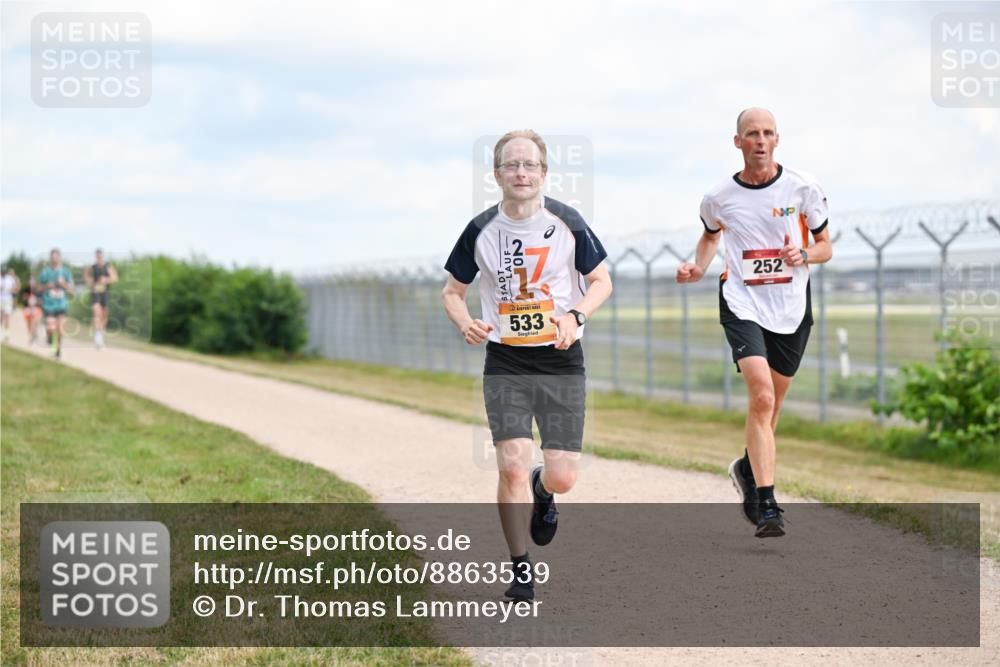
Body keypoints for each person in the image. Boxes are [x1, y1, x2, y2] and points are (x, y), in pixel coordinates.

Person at [442, 130, 613, 601]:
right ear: (496, 174)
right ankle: (520, 569)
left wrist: (576, 316)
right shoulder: (481, 229)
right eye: (512, 165)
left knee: (561, 477)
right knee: (512, 465)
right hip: (506, 362)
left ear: (543, 173)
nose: (521, 173)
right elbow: (452, 292)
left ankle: (545, 489)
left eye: (530, 165)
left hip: (560, 360)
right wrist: (466, 323)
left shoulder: (567, 221)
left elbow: (601, 282)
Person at [675, 108, 833, 538]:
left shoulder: (803, 187)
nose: (760, 141)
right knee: (761, 398)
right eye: (752, 134)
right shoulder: (719, 196)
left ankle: (747, 468)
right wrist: (698, 266)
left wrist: (805, 255)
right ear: (738, 142)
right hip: (742, 301)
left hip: (791, 306)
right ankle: (767, 505)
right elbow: (711, 236)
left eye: (767, 133)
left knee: (772, 406)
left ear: (777, 139)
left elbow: (825, 246)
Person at [39, 248, 75, 359]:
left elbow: (71, 291)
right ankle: (50, 337)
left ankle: (58, 349)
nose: (54, 259)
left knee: (60, 329)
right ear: (50, 258)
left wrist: (63, 284)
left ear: (59, 258)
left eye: (56, 256)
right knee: (50, 327)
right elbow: (38, 289)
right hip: (48, 304)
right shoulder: (45, 272)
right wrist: (47, 286)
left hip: (61, 304)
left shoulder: (65, 272)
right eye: (52, 257)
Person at [84, 248, 118, 348]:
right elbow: (87, 277)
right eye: (97, 255)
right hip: (95, 292)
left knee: (104, 315)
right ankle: (97, 337)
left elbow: (115, 278)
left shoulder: (108, 266)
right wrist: (92, 282)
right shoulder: (92, 267)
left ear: (103, 256)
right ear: (96, 256)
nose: (99, 257)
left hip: (105, 293)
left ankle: (101, 333)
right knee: (96, 312)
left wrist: (106, 280)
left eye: (100, 255)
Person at [22, 276, 43, 345]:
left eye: (32, 281)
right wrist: (27, 297)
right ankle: (31, 336)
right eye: (29, 281)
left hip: (36, 308)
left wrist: (36, 300)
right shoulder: (25, 290)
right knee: (29, 324)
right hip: (27, 308)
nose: (30, 283)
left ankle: (34, 334)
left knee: (34, 322)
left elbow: (41, 301)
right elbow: (23, 299)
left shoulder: (38, 290)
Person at [1, 267, 20, 342]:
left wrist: (12, 290)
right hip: (1, 299)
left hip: (8, 299)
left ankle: (7, 334)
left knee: (7, 317)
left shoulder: (10, 279)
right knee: (1, 317)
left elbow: (17, 287)